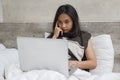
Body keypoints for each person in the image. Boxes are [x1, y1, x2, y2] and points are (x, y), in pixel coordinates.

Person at [48, 4, 96, 71]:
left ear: (74, 21)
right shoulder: (52, 38)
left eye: (67, 22)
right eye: (60, 22)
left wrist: (75, 64)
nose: (63, 26)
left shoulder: (84, 36)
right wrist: (55, 37)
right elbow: (46, 58)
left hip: (74, 71)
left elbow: (93, 63)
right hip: (55, 72)